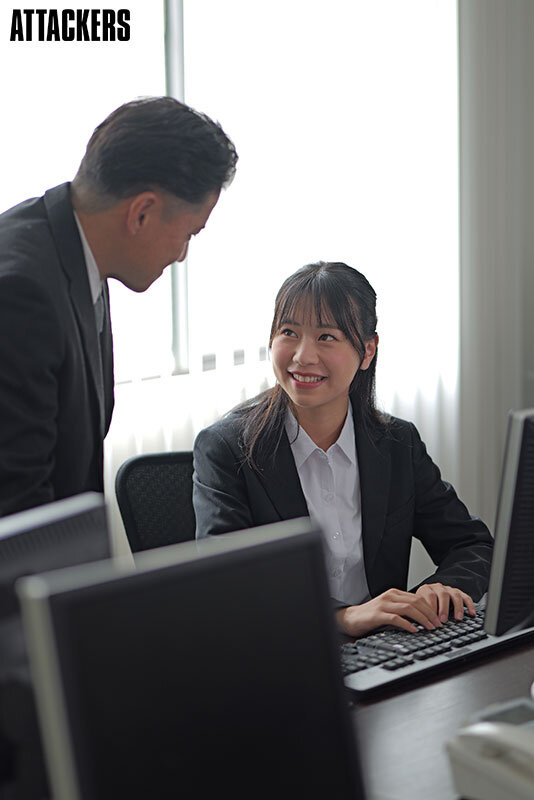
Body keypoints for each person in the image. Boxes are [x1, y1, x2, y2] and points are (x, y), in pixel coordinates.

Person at [193, 261, 493, 638]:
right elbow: (227, 586)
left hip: (385, 653)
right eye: (289, 332)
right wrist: (344, 617)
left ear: (367, 351)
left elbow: (473, 544)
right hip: (282, 655)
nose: (303, 356)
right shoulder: (227, 449)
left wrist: (443, 589)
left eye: (326, 337)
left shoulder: (398, 444)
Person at [0, 96, 237, 517]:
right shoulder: (22, 292)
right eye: (189, 234)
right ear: (142, 213)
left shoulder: (73, 250)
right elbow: (19, 510)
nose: (182, 255)